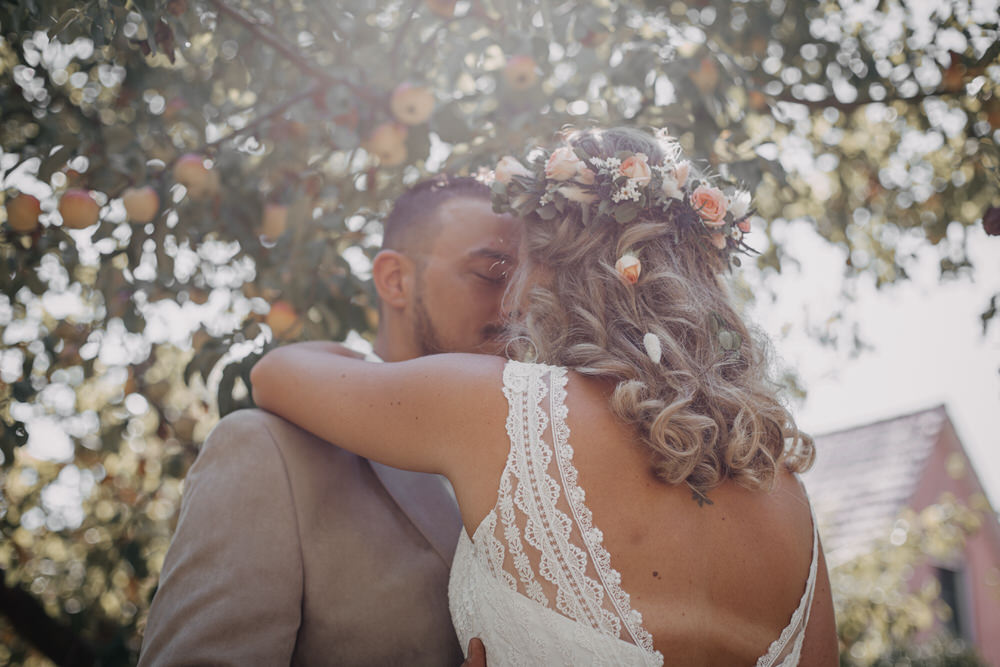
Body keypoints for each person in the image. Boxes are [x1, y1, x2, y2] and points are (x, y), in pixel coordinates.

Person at [250, 127, 840, 666]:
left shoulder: (503, 408)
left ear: (559, 270)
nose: (512, 300)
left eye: (521, 264)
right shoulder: (783, 487)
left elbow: (276, 372)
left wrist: (381, 374)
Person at [139, 176, 520, 666]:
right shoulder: (268, 450)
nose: (517, 305)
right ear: (395, 281)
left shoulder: (557, 464)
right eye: (491, 273)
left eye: (530, 281)